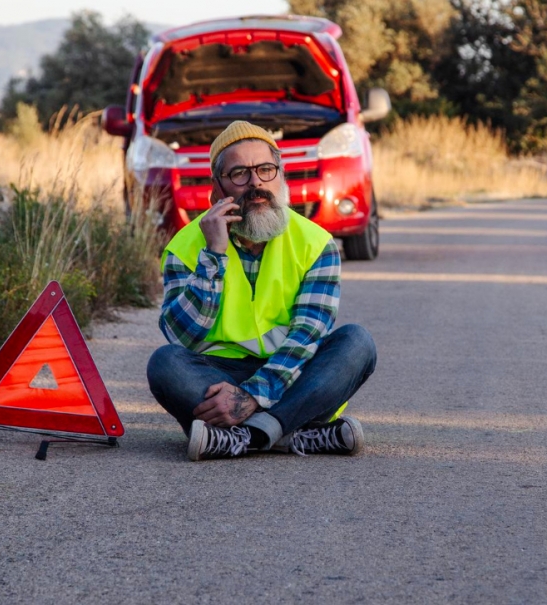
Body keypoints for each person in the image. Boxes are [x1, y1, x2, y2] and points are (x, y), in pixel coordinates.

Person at [146, 121, 377, 461]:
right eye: (239, 173)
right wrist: (213, 257)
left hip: (293, 375)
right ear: (216, 189)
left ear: (281, 177)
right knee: (165, 364)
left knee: (357, 343)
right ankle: (294, 433)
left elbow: (306, 338)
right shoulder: (186, 246)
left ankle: (244, 436)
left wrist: (251, 396)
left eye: (266, 170)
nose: (256, 183)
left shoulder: (316, 244)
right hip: (217, 373)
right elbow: (182, 339)